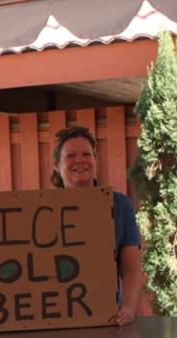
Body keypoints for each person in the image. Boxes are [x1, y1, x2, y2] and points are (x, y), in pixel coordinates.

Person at [50, 126, 143, 326]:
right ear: (57, 165)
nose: (80, 160)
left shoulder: (119, 205)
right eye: (71, 155)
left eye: (86, 154)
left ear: (95, 160)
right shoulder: (41, 210)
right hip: (54, 320)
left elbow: (131, 267)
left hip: (105, 320)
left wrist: (128, 307)